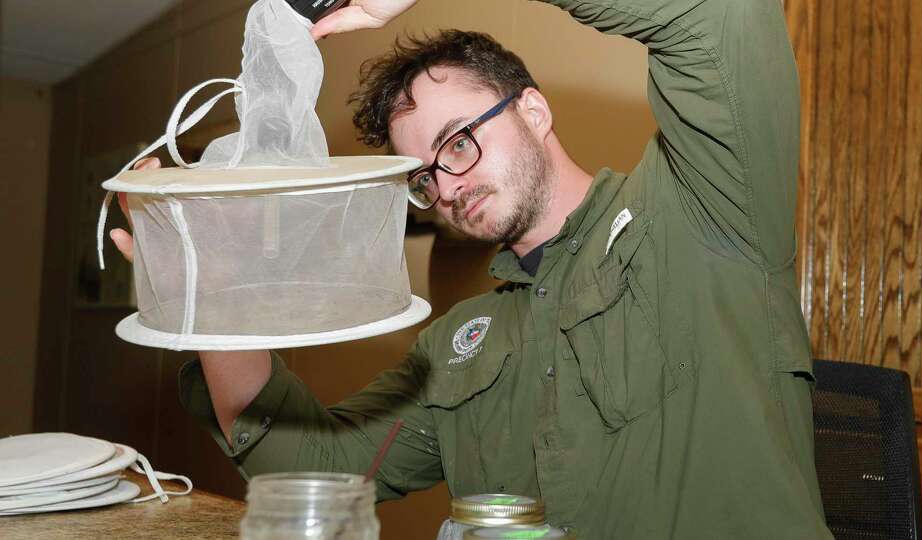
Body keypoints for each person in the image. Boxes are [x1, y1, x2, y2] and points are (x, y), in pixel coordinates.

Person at [112, 0, 833, 537]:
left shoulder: (703, 210)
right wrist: (207, 290)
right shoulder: (461, 343)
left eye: (457, 142)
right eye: (423, 176)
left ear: (535, 112)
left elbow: (718, 17)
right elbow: (316, 469)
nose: (447, 186)